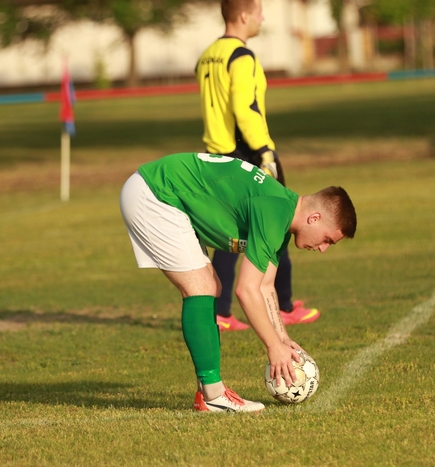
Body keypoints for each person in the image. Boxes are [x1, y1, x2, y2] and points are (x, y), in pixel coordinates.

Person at [119, 152, 356, 413]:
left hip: (161, 191)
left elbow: (265, 287)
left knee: (211, 287)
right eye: (327, 240)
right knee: (202, 287)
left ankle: (208, 393)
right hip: (156, 193)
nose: (323, 249)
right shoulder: (274, 210)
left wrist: (282, 338)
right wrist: (272, 347)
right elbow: (246, 290)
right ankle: (212, 395)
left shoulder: (282, 216)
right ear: (314, 219)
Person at [196, 0, 317, 332]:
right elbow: (244, 107)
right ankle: (285, 305)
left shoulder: (208, 54)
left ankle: (220, 312)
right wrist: (264, 153)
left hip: (218, 156)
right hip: (248, 153)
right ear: (244, 15)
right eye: (260, 11)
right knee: (278, 225)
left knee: (229, 236)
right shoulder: (241, 55)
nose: (263, 17)